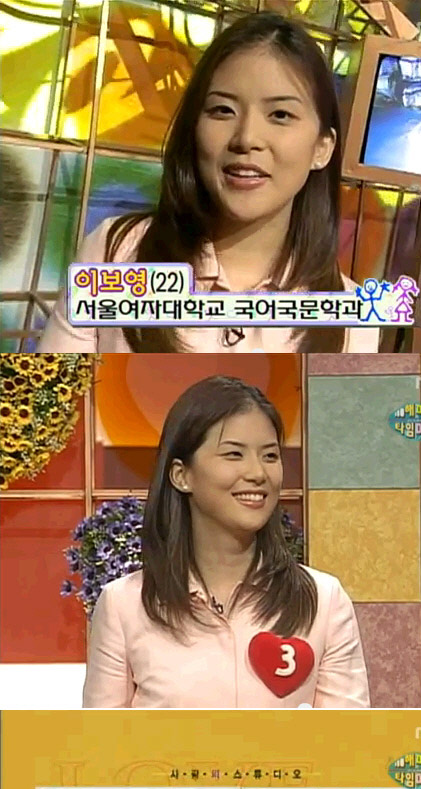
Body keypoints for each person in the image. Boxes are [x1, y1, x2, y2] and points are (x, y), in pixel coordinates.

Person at [39, 12, 379, 355]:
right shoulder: (116, 253)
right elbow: (53, 389)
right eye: (223, 110)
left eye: (280, 115)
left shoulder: (352, 320)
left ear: (322, 148)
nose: (246, 138)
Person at [82, 376, 370, 709]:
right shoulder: (124, 606)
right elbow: (102, 740)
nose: (258, 473)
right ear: (182, 475)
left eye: (270, 456)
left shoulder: (324, 600)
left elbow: (349, 737)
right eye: (234, 454)